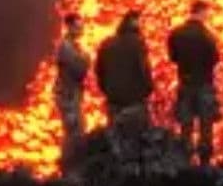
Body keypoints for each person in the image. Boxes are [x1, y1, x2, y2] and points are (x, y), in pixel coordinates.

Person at [166, 0, 222, 166]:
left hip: (185, 83)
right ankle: (205, 163)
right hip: (204, 84)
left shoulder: (176, 34)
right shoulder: (207, 36)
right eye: (207, 13)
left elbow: (173, 57)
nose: (208, 16)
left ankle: (185, 162)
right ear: (201, 12)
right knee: (206, 125)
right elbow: (215, 59)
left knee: (186, 125)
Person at [94, 10, 154, 131]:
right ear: (135, 24)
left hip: (113, 101)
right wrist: (148, 90)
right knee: (136, 137)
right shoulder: (138, 44)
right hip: (134, 102)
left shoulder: (106, 44)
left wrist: (108, 91)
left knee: (115, 136)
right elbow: (144, 71)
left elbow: (99, 71)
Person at [52, 14, 91, 162]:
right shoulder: (66, 47)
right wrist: (86, 59)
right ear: (69, 27)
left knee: (77, 129)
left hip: (72, 94)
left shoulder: (73, 46)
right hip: (67, 96)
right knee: (74, 131)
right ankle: (69, 163)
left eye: (81, 26)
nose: (81, 30)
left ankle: (72, 162)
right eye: (77, 27)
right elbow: (79, 69)